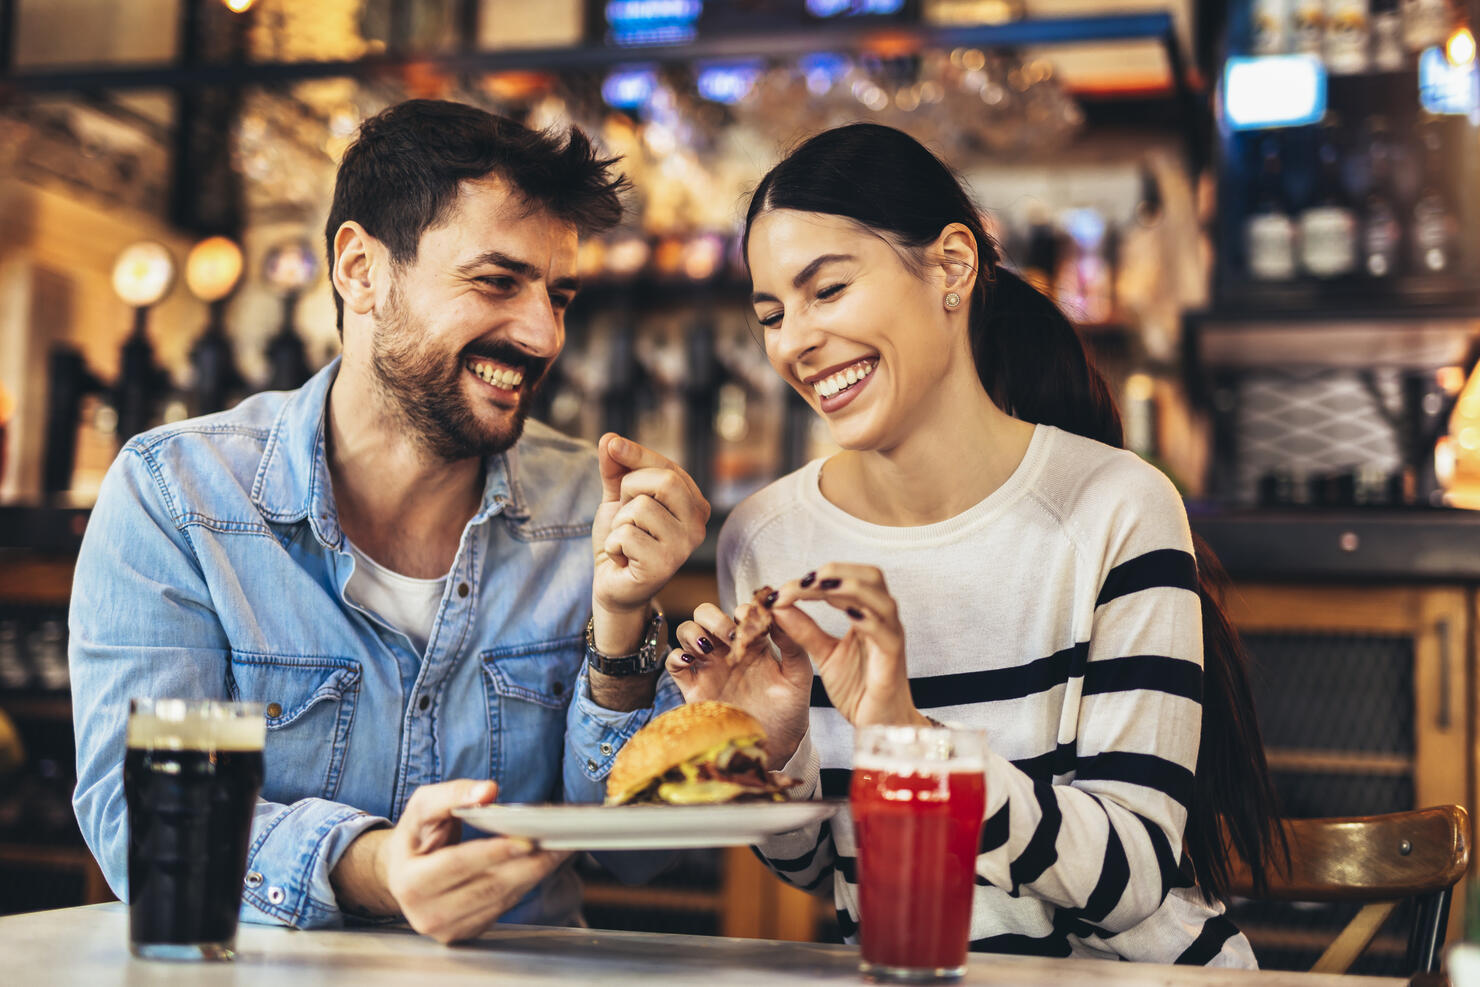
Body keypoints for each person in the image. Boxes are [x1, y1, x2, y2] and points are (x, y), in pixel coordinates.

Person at [70, 99, 708, 943]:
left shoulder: (588, 509)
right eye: (496, 281)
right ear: (360, 269)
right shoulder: (178, 497)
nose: (543, 332)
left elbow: (639, 853)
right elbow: (143, 816)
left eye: (559, 294)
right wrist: (375, 867)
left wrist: (623, 637)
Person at [666, 123, 1283, 967]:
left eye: (829, 290)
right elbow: (825, 869)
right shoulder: (768, 541)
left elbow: (1134, 873)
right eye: (772, 313)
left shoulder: (1116, 507)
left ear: (952, 265)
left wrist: (904, 735)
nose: (795, 341)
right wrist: (772, 754)